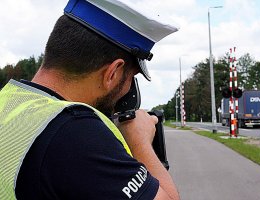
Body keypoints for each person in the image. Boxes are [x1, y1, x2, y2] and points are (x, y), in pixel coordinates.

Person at [0, 0, 180, 199]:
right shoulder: (76, 133)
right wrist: (139, 141)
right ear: (113, 73)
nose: (129, 87)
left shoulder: (8, 102)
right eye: (132, 78)